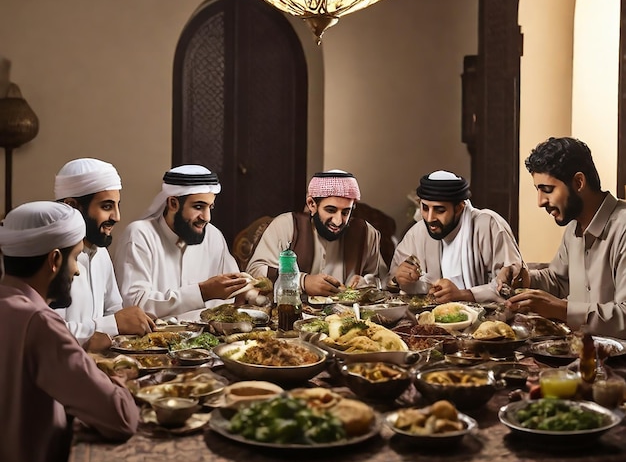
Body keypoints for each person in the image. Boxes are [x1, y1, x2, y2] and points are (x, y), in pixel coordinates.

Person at [0, 202, 138, 462]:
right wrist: (119, 378)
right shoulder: (39, 322)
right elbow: (120, 418)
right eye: (75, 258)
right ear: (54, 261)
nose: (76, 271)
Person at [500, 137, 626, 337]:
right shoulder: (574, 227)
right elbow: (558, 280)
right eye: (537, 190)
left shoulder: (622, 227)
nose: (540, 202)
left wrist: (562, 310)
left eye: (547, 190)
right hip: (580, 354)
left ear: (578, 182)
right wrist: (524, 278)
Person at [113, 165, 247, 318]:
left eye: (210, 207)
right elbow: (135, 306)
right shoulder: (140, 235)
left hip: (211, 338)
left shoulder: (213, 235)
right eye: (198, 207)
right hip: (152, 339)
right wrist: (202, 292)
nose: (207, 217)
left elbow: (234, 289)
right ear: (173, 204)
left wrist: (248, 290)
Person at [54, 158, 155, 347]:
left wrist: (134, 321)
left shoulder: (100, 251)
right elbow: (48, 333)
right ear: (72, 205)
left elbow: (113, 308)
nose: (117, 217)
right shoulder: (50, 259)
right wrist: (114, 323)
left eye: (118, 206)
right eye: (107, 206)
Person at [389, 170, 523, 303]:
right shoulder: (417, 233)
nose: (430, 218)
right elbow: (390, 281)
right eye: (425, 208)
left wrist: (463, 295)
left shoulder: (488, 225)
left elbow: (511, 285)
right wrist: (399, 279)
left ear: (459, 208)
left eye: (439, 210)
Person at [246, 170, 387, 296]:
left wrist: (365, 283)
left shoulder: (366, 233)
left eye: (346, 212)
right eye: (331, 210)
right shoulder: (286, 226)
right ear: (312, 204)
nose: (338, 221)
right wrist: (302, 281)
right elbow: (255, 271)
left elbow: (382, 280)